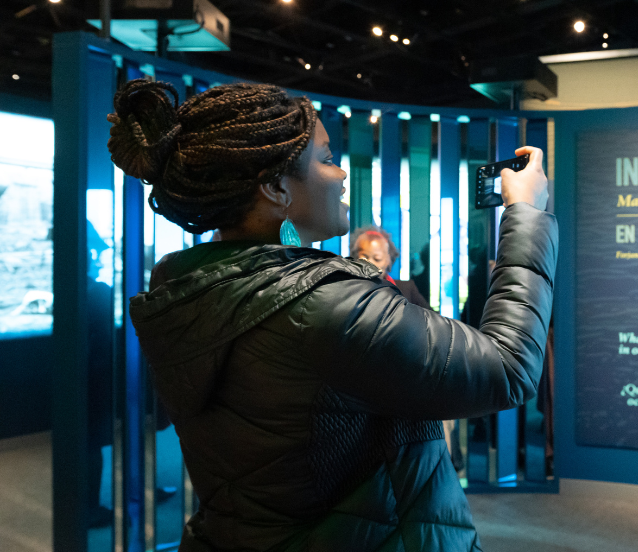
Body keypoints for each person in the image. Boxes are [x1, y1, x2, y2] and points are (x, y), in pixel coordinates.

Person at [109, 79, 556, 552]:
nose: (342, 174)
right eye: (325, 159)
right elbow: (509, 368)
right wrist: (525, 214)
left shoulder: (187, 295)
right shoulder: (324, 306)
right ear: (276, 187)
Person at [349, 225, 429, 309]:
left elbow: (431, 316)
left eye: (377, 259)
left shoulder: (407, 289)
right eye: (364, 258)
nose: (370, 264)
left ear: (388, 261)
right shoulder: (347, 290)